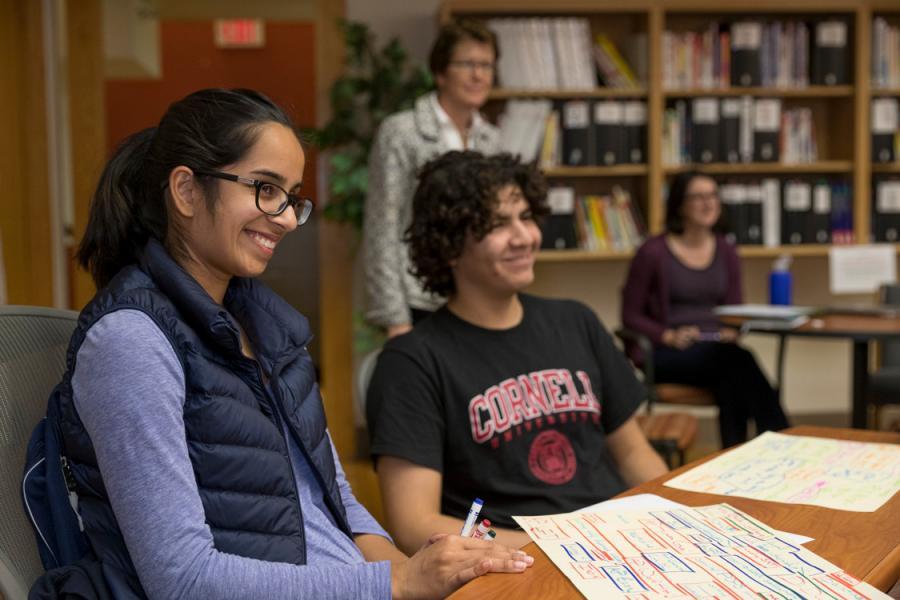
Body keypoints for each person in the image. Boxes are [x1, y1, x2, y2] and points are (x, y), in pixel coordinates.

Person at [37, 89, 533, 599]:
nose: (286, 218)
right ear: (185, 191)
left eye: (292, 198)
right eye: (264, 189)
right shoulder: (131, 341)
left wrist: (417, 577)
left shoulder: (269, 328)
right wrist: (397, 584)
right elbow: (182, 580)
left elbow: (337, 503)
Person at [366, 151, 668, 554]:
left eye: (526, 217)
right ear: (450, 246)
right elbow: (416, 522)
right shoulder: (412, 362)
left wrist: (671, 520)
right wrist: (545, 547)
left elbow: (632, 452)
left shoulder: (576, 321)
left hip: (619, 545)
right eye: (497, 224)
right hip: (516, 562)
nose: (525, 237)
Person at [621, 171, 790, 448]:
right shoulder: (652, 253)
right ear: (679, 204)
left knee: (731, 373)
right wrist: (667, 336)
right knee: (737, 363)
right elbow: (631, 315)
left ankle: (737, 454)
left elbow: (735, 311)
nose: (708, 203)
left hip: (717, 352)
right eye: (698, 197)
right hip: (668, 353)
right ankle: (779, 439)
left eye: (712, 195)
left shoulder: (727, 251)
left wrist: (730, 332)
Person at [363, 19, 501, 338]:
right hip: (417, 300)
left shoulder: (492, 139)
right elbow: (382, 227)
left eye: (487, 65)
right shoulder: (401, 132)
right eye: (468, 64)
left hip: (477, 296)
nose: (479, 75)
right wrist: (395, 318)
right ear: (440, 72)